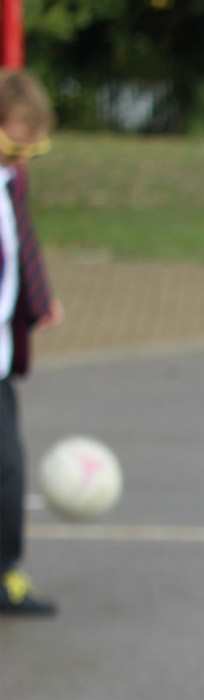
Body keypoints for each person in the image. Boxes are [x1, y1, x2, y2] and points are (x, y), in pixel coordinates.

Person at [0, 70, 63, 618]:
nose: (24, 150)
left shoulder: (12, 182)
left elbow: (24, 246)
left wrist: (41, 302)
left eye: (32, 139)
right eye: (18, 134)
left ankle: (4, 576)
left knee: (8, 470)